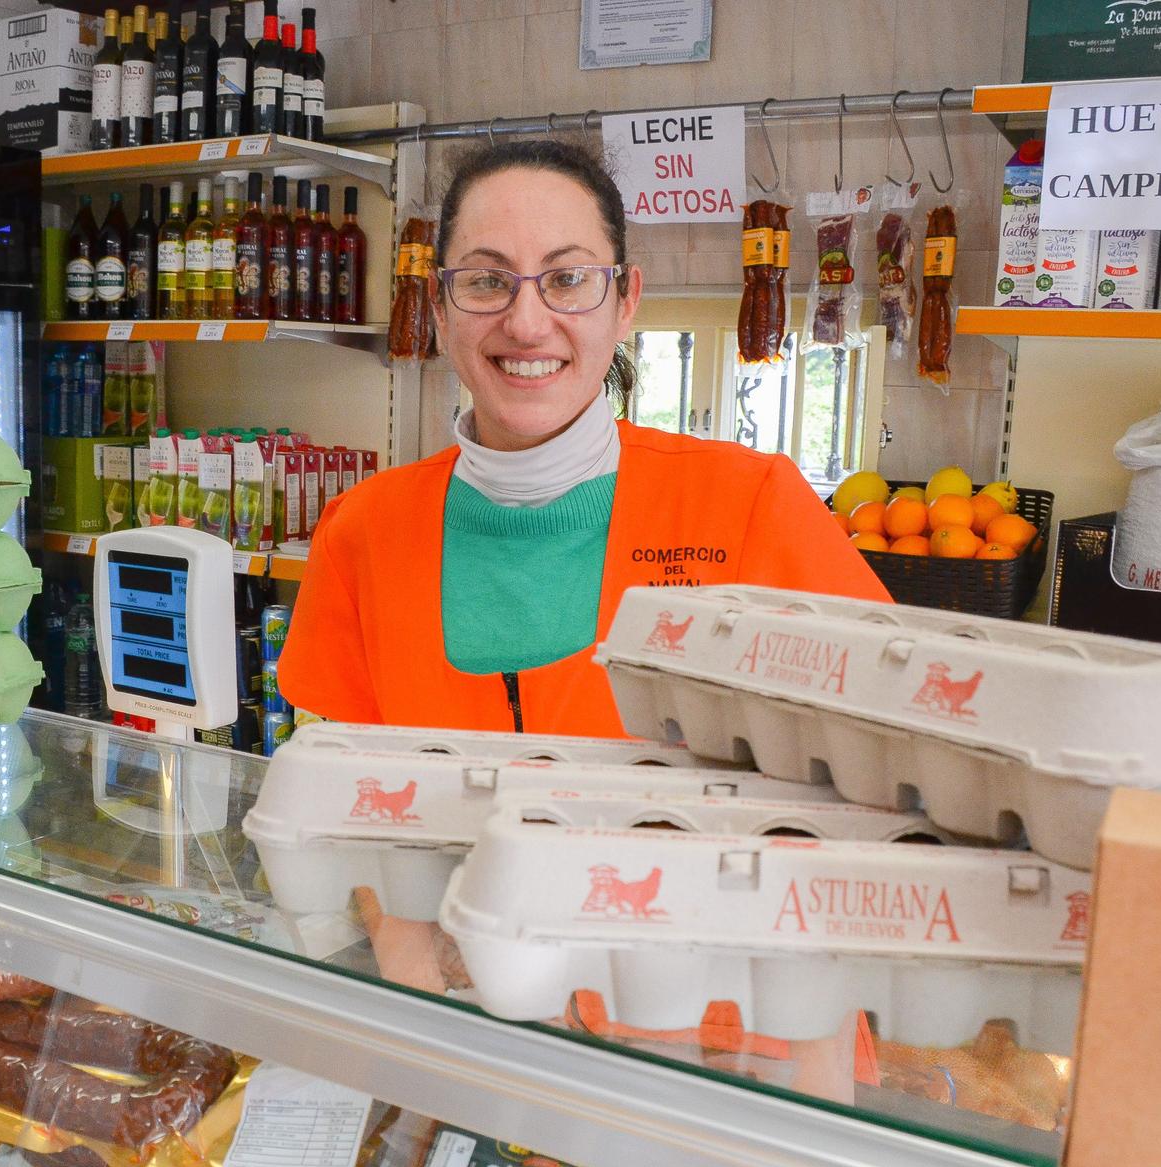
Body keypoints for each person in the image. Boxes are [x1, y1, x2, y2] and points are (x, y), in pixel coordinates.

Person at [278, 137, 887, 737]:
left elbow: (889, 736)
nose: (525, 323)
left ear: (626, 302)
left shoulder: (754, 506)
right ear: (439, 309)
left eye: (568, 278)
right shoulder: (359, 532)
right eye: (487, 281)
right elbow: (340, 796)